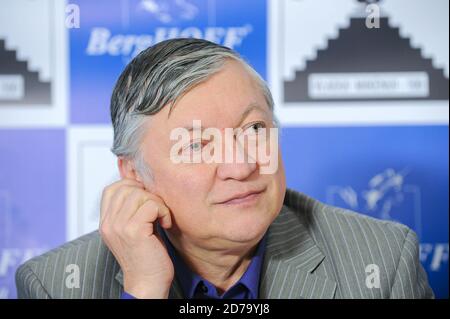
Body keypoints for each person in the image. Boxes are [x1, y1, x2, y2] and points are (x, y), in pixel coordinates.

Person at [16, 38, 433, 299]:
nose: (241, 164)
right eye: (196, 145)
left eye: (253, 128)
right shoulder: (56, 284)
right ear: (135, 174)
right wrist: (143, 290)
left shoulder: (379, 262)